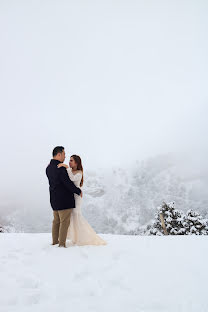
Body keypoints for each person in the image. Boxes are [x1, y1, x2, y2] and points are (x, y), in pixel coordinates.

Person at [57, 155, 106, 246]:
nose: (69, 162)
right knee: (73, 217)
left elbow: (71, 178)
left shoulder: (79, 172)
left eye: (71, 160)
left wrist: (66, 167)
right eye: (69, 160)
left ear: (76, 163)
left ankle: (85, 237)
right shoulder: (70, 171)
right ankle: (76, 238)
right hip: (71, 196)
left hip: (77, 197)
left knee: (77, 216)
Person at [46, 146, 82, 247]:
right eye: (64, 154)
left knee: (56, 222)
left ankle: (54, 242)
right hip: (64, 200)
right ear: (59, 154)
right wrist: (77, 191)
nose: (65, 156)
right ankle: (61, 245)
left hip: (54, 200)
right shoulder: (60, 168)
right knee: (64, 223)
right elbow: (67, 183)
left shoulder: (48, 168)